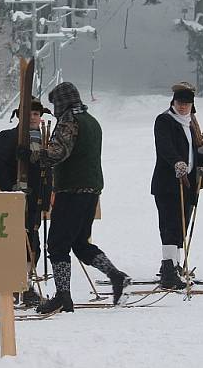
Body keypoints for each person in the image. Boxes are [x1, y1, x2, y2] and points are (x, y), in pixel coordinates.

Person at [29, 82, 130, 313]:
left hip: (72, 189)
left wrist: (33, 155)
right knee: (80, 243)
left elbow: (58, 152)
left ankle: (63, 296)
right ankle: (116, 276)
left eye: (55, 104)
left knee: (57, 244)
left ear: (63, 102)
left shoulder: (69, 121)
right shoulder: (92, 121)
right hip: (92, 189)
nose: (54, 110)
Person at [151, 82, 203, 289]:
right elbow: (165, 148)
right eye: (180, 103)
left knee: (180, 228)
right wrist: (177, 162)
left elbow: (194, 158)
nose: (183, 107)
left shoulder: (189, 124)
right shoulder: (164, 121)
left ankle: (175, 266)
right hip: (168, 184)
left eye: (187, 104)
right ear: (173, 102)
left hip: (188, 185)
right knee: (170, 225)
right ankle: (168, 270)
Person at [0, 97, 53, 306]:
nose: (33, 117)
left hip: (36, 200)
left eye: (36, 114)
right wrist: (11, 188)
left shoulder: (45, 140)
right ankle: (18, 286)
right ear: (20, 116)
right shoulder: (9, 137)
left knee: (34, 245)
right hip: (17, 201)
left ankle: (24, 284)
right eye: (29, 114)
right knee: (20, 244)